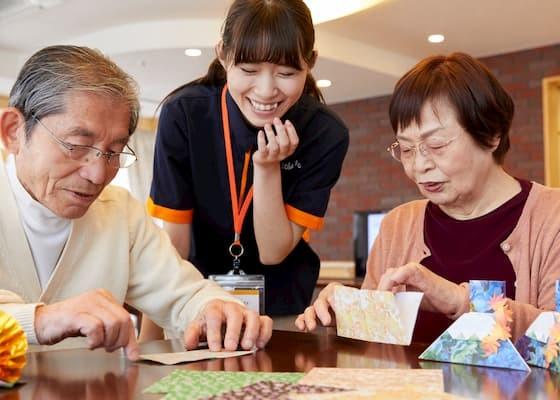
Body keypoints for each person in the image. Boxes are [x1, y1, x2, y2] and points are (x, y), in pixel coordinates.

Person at [0, 45, 272, 360]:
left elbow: (182, 294)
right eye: (76, 146)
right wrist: (40, 320)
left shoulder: (119, 212)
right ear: (13, 132)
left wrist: (216, 310)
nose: (98, 174)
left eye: (114, 152)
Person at [295, 52, 560, 342]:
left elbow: (556, 339)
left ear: (492, 134)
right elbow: (376, 347)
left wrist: (461, 301)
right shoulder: (398, 225)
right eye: (406, 149)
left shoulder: (551, 216)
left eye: (436, 144)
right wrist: (346, 313)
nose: (419, 165)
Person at [144, 0, 348, 340]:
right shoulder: (185, 115)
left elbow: (273, 251)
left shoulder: (325, 133)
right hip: (200, 306)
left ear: (309, 64)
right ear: (223, 56)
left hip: (283, 312)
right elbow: (174, 247)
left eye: (286, 73)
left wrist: (266, 169)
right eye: (249, 71)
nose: (267, 91)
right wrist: (150, 340)